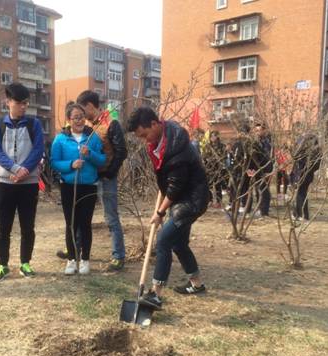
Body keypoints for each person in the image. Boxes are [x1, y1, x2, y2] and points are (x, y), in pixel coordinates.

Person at [127, 107, 209, 310]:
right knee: (179, 244)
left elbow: (175, 186)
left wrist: (160, 212)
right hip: (181, 198)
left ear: (154, 124)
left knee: (163, 240)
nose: (144, 140)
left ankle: (155, 294)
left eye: (144, 134)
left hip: (192, 200)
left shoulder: (176, 147)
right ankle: (197, 284)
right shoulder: (161, 140)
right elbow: (168, 180)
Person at [0, 83, 44, 281]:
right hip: (5, 183)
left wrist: (24, 170)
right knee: (3, 227)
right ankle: (2, 265)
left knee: (27, 226)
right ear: (8, 102)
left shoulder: (34, 124)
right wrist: (14, 169)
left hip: (28, 183)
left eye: (26, 103)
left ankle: (25, 263)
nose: (23, 106)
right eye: (19, 103)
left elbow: (38, 150)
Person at [51, 102, 106, 275]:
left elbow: (102, 160)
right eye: (75, 117)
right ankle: (71, 260)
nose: (79, 120)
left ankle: (85, 260)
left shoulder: (93, 137)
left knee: (85, 224)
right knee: (71, 224)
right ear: (69, 120)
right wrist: (71, 164)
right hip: (68, 187)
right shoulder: (60, 139)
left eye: (82, 117)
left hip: (89, 186)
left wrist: (90, 154)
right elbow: (54, 162)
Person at [75, 90, 127, 271]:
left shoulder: (111, 123)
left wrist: (110, 173)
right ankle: (75, 249)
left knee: (111, 216)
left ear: (90, 106)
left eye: (83, 110)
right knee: (81, 214)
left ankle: (118, 256)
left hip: (106, 177)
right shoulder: (87, 125)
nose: (81, 114)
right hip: (88, 177)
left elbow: (121, 151)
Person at [291, 133, 321, 221]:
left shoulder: (306, 151)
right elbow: (317, 166)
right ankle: (299, 214)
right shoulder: (318, 150)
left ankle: (302, 215)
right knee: (302, 193)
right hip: (308, 175)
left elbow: (295, 155)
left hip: (302, 174)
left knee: (301, 193)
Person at [201, 130, 225, 209]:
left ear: (217, 136)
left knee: (218, 186)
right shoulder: (207, 146)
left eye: (214, 136)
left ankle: (219, 201)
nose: (212, 138)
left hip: (218, 169)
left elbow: (223, 157)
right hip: (209, 169)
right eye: (211, 136)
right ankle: (210, 200)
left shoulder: (222, 146)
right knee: (208, 185)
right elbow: (204, 156)